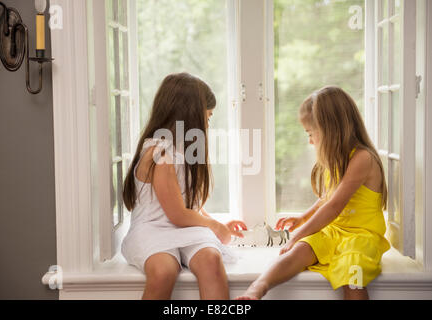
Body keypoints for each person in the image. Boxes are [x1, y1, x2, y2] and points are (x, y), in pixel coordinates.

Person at [237, 86, 390, 300]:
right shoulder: (339, 159)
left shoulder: (362, 159)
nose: (310, 141)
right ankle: (258, 288)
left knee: (353, 274)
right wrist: (303, 218)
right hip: (334, 231)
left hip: (361, 237)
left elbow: (334, 206)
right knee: (298, 251)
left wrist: (296, 235)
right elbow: (327, 197)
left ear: (331, 130)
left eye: (311, 134)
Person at [121, 72, 247, 300]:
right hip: (152, 230)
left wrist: (212, 223)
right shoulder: (159, 153)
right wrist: (215, 227)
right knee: (163, 271)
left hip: (183, 229)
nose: (208, 125)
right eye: (207, 118)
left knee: (211, 259)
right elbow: (177, 214)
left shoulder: (184, 151)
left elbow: (186, 203)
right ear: (190, 115)